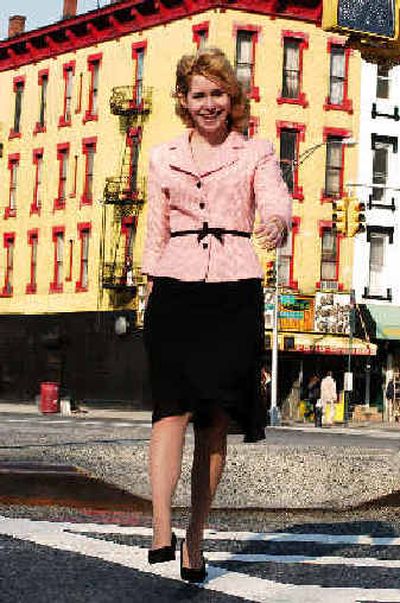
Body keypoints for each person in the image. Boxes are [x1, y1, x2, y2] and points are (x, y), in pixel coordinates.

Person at [142, 47, 291, 582]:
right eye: (198, 94)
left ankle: (196, 538)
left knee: (214, 421)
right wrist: (148, 290)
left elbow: (276, 199)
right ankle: (161, 524)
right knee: (170, 410)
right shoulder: (161, 156)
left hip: (233, 290)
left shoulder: (256, 153)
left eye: (217, 94)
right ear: (183, 100)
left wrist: (275, 222)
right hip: (176, 290)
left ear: (232, 100)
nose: (208, 104)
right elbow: (155, 227)